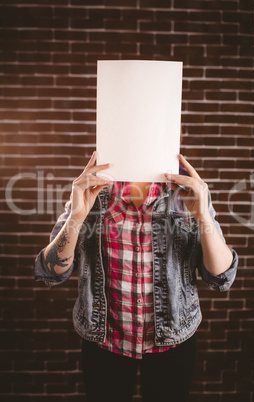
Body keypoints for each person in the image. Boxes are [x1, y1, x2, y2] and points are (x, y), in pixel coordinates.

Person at [34, 151, 238, 402]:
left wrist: (203, 215)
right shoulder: (93, 193)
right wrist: (77, 215)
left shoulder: (188, 195)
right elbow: (52, 272)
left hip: (173, 342)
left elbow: (220, 278)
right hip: (105, 343)